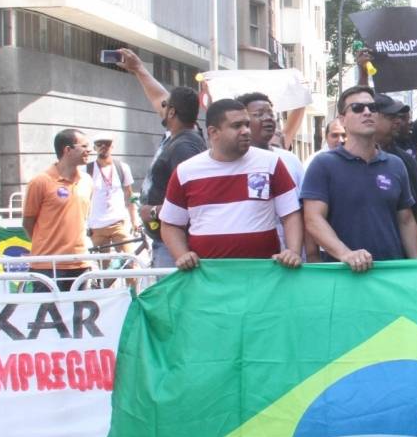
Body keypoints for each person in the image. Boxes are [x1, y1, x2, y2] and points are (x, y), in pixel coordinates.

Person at [158, 99, 302, 271]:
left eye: (247, 124)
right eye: (237, 126)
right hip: (208, 277)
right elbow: (170, 224)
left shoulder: (271, 163)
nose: (246, 131)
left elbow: (291, 214)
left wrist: (293, 251)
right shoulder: (186, 171)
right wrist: (181, 255)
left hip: (263, 275)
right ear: (213, 132)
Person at [301, 86, 417, 271]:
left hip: (390, 273)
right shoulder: (323, 164)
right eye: (357, 108)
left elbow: (405, 220)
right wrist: (346, 254)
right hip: (344, 274)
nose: (367, 112)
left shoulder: (396, 165)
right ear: (342, 119)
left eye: (372, 108)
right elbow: (313, 219)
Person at [114, 49, 206, 268]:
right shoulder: (181, 134)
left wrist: (153, 211)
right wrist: (138, 68)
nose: (160, 107)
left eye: (166, 107)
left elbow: (193, 197)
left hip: (175, 247)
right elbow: (159, 97)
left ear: (172, 113)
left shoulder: (184, 146)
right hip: (168, 241)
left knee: (171, 300)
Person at [23, 129, 93, 290]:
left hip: (80, 263)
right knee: (47, 314)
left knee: (79, 314)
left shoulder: (88, 181)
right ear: (67, 150)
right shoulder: (40, 182)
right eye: (84, 146)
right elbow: (28, 222)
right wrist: (48, 245)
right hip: (48, 266)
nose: (89, 150)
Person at [376, 95, 417, 250]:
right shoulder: (335, 163)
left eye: (398, 117)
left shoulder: (404, 161)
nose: (397, 121)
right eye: (390, 116)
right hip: (350, 263)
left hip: (399, 260)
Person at [85, 134, 140, 256]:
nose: (103, 147)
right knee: (105, 270)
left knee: (130, 263)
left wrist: (134, 220)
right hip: (96, 226)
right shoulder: (86, 170)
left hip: (118, 223)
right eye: (99, 144)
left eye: (107, 144)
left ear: (112, 147)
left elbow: (129, 195)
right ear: (94, 148)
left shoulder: (122, 168)